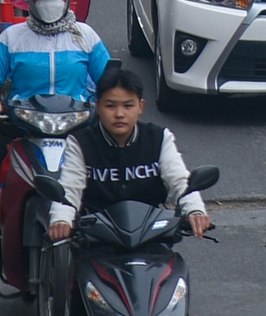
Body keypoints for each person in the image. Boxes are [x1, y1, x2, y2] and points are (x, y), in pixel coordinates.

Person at [0, 0, 110, 274]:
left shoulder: (86, 36)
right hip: (21, 132)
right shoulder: (12, 38)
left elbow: (109, 81)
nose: (49, 1)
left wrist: (106, 103)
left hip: (78, 135)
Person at [47, 67, 210, 243]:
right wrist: (61, 220)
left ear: (141, 107)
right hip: (96, 240)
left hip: (151, 237)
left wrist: (195, 211)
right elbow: (70, 188)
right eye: (110, 106)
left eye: (128, 105)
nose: (119, 114)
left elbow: (179, 180)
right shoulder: (81, 142)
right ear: (98, 107)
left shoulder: (159, 138)